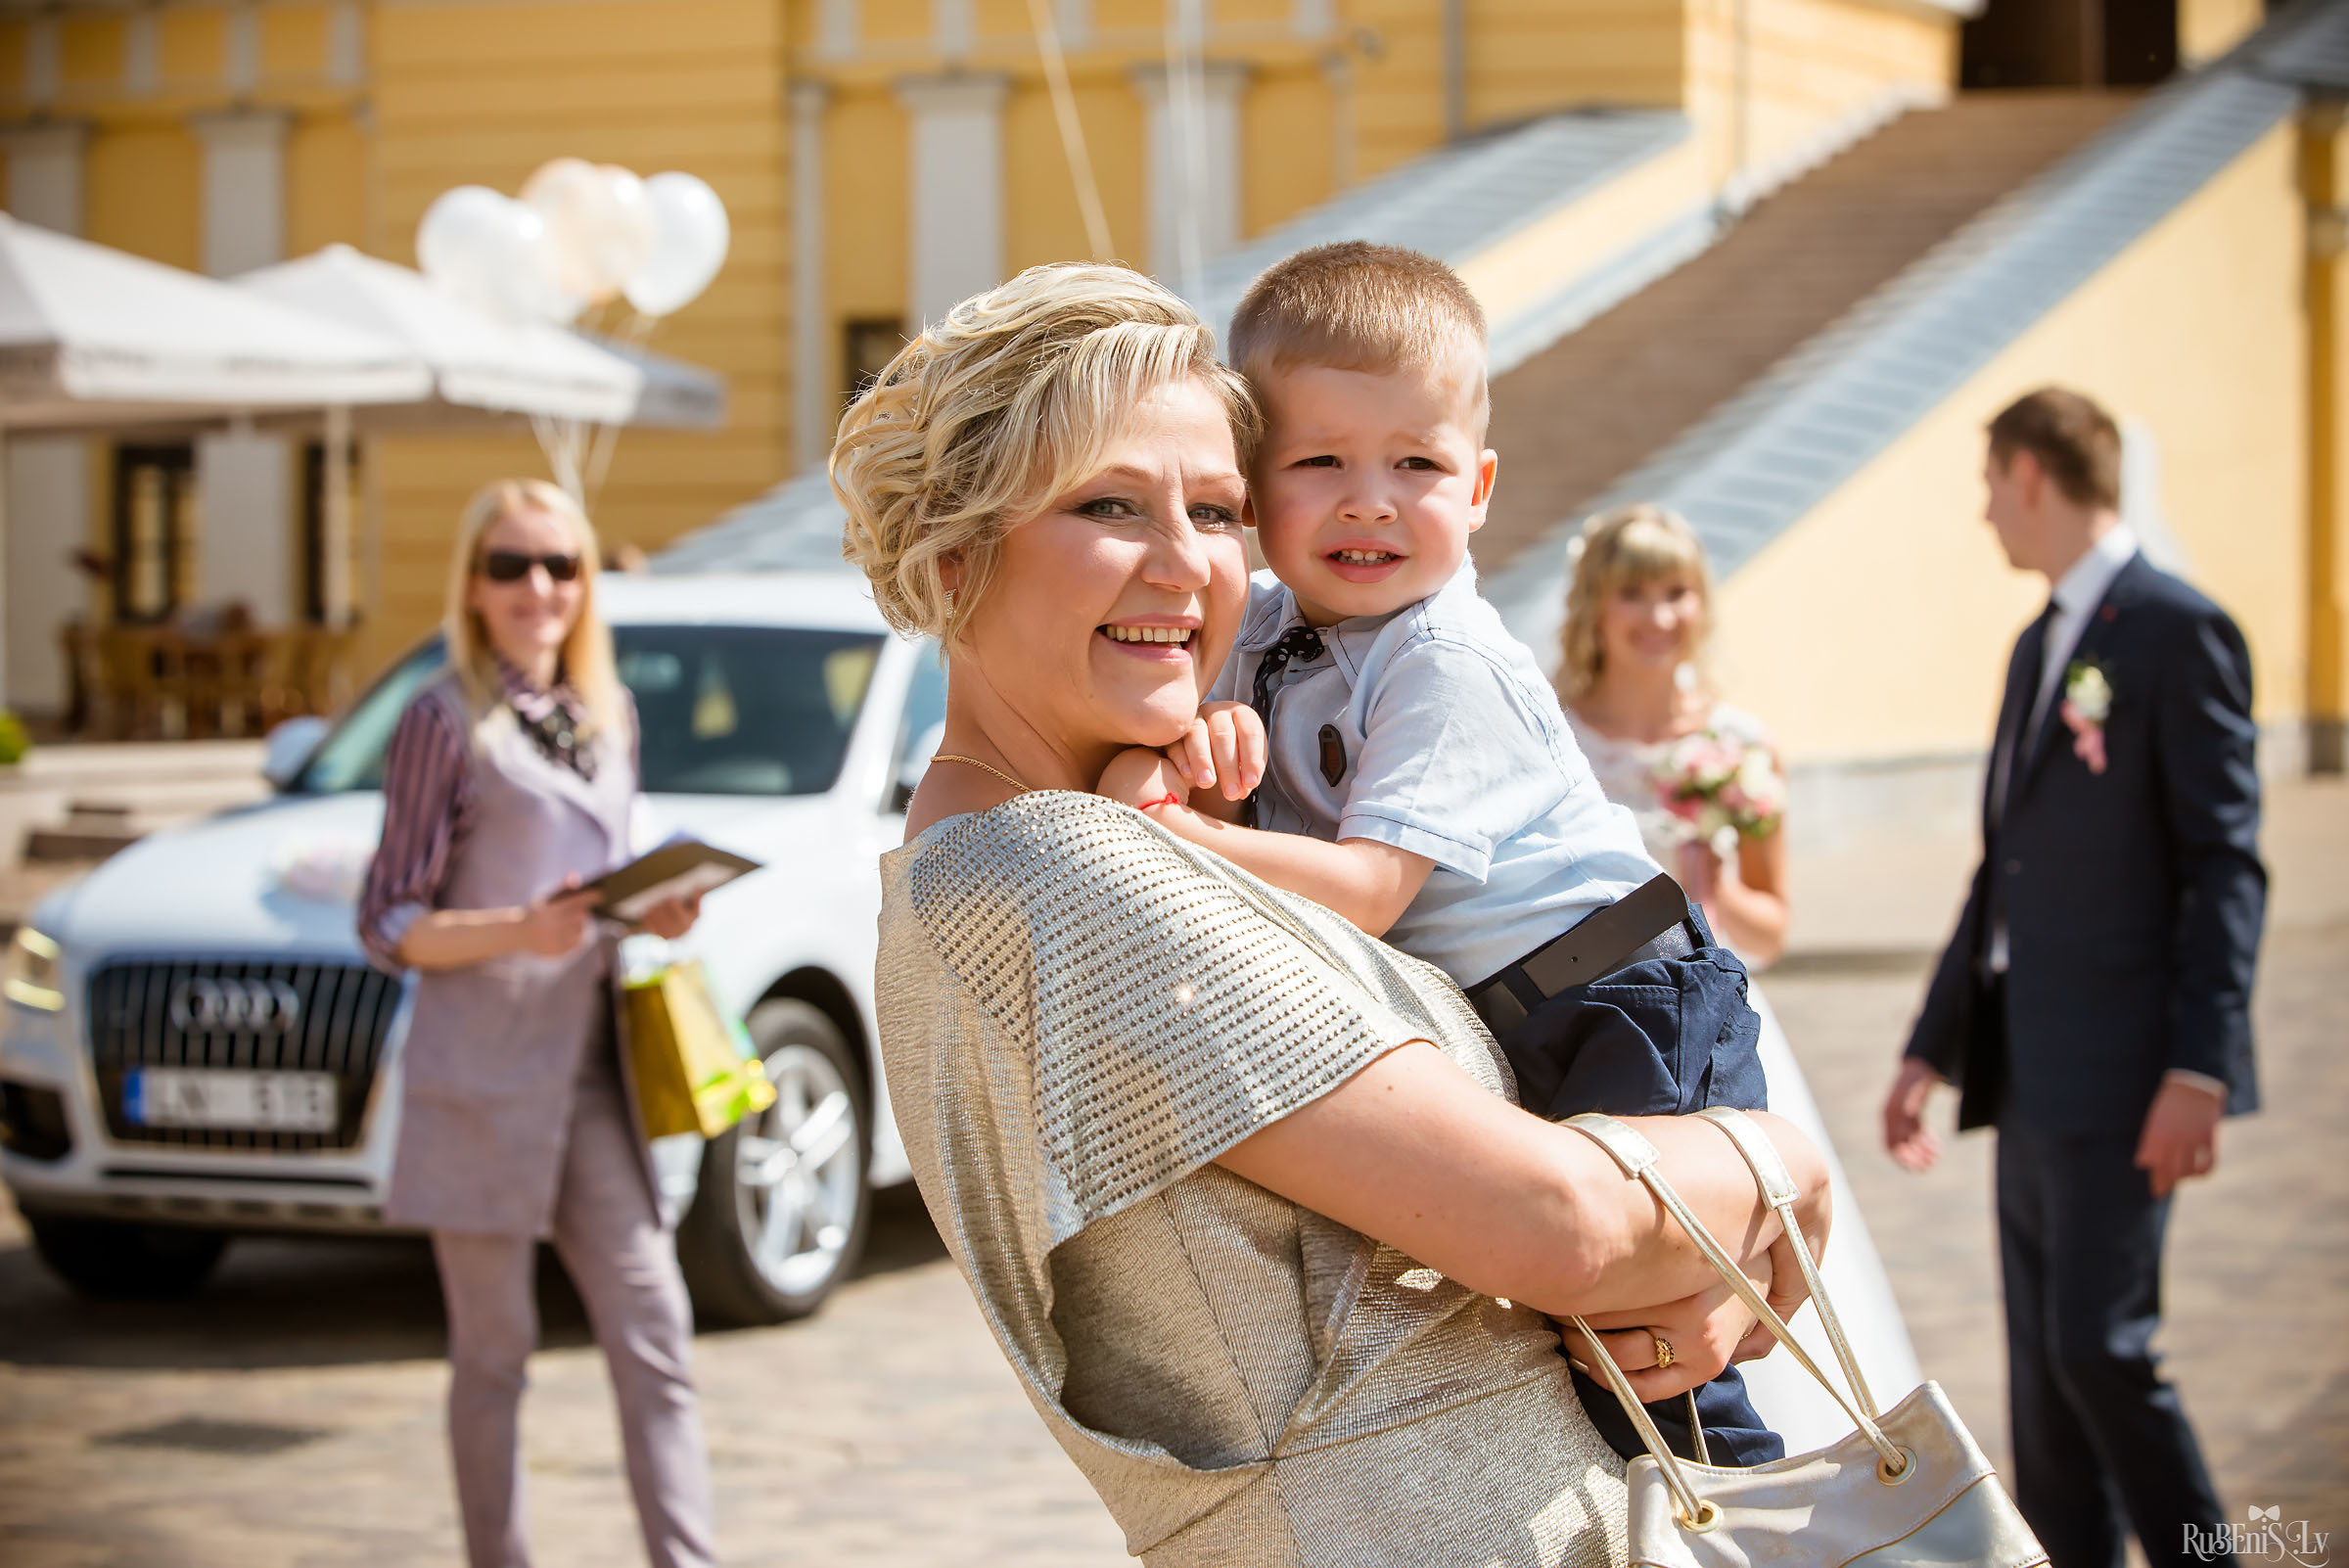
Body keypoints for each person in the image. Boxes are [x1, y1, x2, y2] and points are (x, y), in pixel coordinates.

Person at [838, 260, 1835, 1567]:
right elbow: (1570, 1227)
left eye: (1215, 508)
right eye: (1110, 505)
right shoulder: (1059, 875)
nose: (1191, 567)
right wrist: (1782, 1161)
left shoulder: (1000, 857)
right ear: (956, 557)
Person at [1090, 243, 1777, 1469]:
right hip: (1507, 1011)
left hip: (1624, 997)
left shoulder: (1445, 659)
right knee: (1563, 1362)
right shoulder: (1254, 628)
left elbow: (1365, 891)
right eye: (1321, 462)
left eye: (1418, 463)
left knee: (1652, 1342)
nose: (1372, 499)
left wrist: (1183, 841)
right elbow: (1140, 743)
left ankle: (1760, 1531)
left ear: (1480, 486)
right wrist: (1178, 765)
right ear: (1253, 486)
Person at [1881, 388, 2261, 1567]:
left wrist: (2201, 1063)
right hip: (2031, 1062)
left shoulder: (2175, 628)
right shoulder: (2039, 645)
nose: (1987, 510)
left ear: (2034, 474)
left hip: (2131, 1068)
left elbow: (2224, 862)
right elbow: (2007, 868)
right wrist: (1930, 1046)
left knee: (2103, 1350)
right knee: (2045, 1383)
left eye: (1991, 482)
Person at [357, 479, 716, 1568]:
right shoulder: (440, 719)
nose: (539, 588)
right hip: (482, 1076)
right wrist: (519, 927)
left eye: (561, 565)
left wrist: (651, 905)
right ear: (472, 584)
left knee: (656, 1335)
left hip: (594, 1069)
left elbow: (592, 890)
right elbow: (388, 921)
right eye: (511, 565)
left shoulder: (610, 715)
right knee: (495, 1352)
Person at [1556, 501, 1923, 1454]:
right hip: (1589, 1028)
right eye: (1634, 592)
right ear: (1597, 605)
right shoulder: (1552, 730)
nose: (1658, 615)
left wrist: (1715, 892)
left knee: (1742, 1242)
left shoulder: (1736, 745)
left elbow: (1773, 922)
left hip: (1719, 1032)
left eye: (1675, 591)